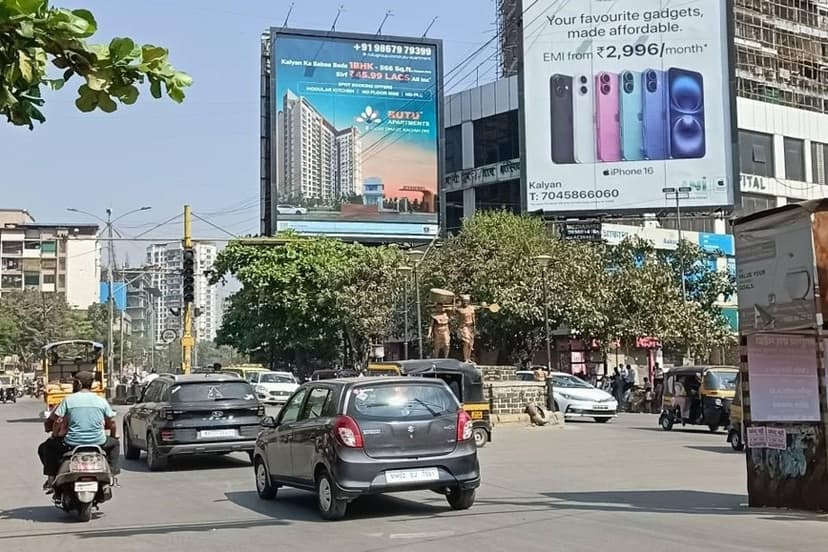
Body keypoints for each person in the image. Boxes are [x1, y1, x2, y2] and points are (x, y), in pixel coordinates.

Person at [38, 371, 120, 492]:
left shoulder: (69, 400)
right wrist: (113, 436)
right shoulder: (101, 401)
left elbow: (56, 419)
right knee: (115, 444)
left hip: (72, 442)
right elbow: (111, 422)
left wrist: (58, 430)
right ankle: (112, 476)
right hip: (98, 442)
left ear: (79, 384)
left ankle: (51, 479)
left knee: (47, 447)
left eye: (75, 382)